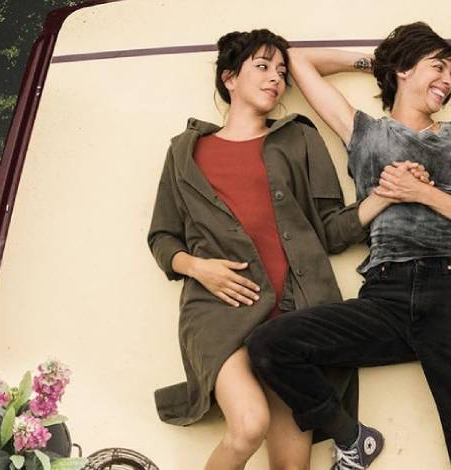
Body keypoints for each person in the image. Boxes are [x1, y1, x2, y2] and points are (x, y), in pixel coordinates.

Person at [247, 22, 451, 470]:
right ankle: (352, 437)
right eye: (438, 67)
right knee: (271, 345)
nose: (448, 81)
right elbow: (298, 60)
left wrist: (421, 192)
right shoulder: (364, 132)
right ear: (406, 69)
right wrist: (383, 62)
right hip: (386, 296)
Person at [148, 29, 413, 470]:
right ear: (230, 78)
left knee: (292, 465)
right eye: (263, 67)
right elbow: (162, 236)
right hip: (220, 310)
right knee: (248, 425)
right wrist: (198, 267)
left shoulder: (299, 137)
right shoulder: (185, 152)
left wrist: (382, 197)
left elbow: (329, 231)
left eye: (282, 72)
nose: (276, 78)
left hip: (294, 313)